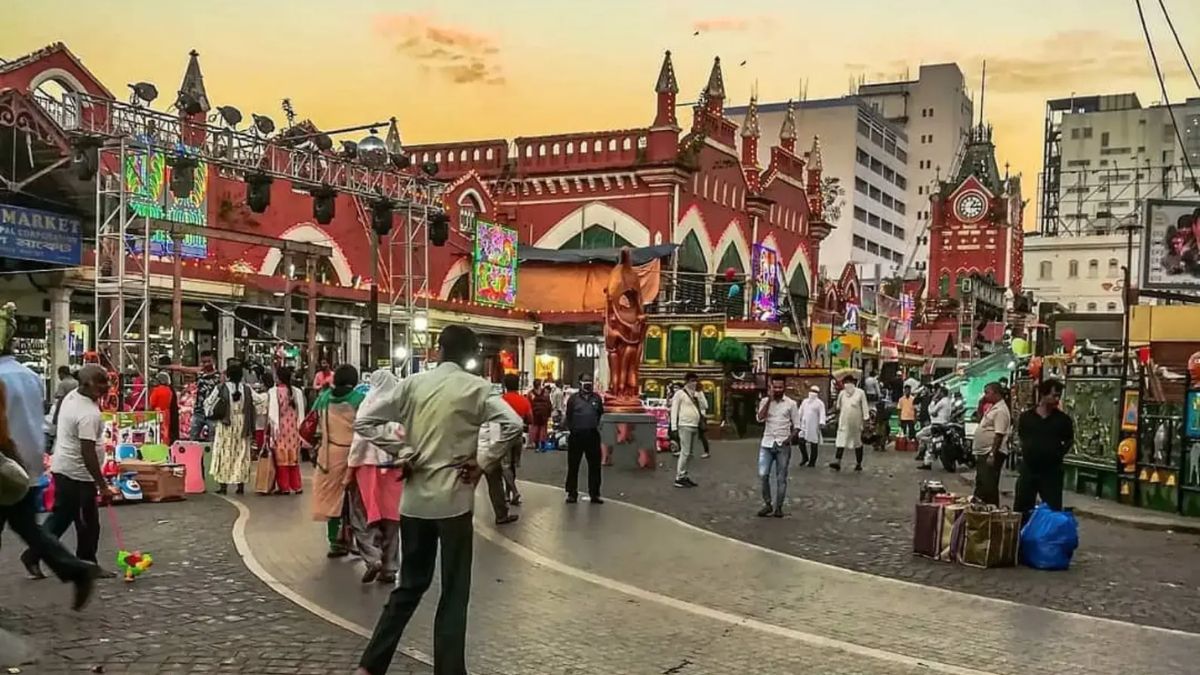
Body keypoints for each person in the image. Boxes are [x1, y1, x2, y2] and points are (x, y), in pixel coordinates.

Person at [353, 325, 521, 675]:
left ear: (439, 350)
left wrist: (403, 450)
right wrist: (484, 460)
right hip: (455, 502)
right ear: (471, 356)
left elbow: (367, 421)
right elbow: (513, 423)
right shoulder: (477, 389)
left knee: (410, 586)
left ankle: (371, 665)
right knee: (455, 593)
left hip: (413, 503)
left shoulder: (412, 384)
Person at [0, 308, 100, 608]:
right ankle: (76, 569)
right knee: (30, 529)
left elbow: (4, 432)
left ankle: (77, 569)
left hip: (6, 464)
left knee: (30, 528)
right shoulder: (29, 376)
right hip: (26, 469)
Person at [20, 364, 119, 579]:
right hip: (77, 475)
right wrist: (102, 485)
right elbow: (88, 452)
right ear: (86, 384)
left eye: (107, 382)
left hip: (65, 469)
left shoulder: (73, 396)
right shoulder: (88, 413)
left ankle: (35, 554)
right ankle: (86, 562)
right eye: (100, 383)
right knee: (86, 523)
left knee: (62, 519)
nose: (106, 387)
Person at [347, 370, 406, 584]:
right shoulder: (400, 406)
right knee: (392, 519)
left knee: (363, 517)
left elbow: (359, 439)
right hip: (395, 468)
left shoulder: (369, 403)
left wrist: (350, 467)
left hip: (368, 468)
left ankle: (373, 558)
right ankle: (390, 568)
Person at [312, 364, 364, 557]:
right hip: (354, 454)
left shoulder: (324, 398)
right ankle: (356, 541)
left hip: (329, 454)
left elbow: (315, 424)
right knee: (356, 501)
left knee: (333, 499)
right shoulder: (359, 400)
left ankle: (335, 541)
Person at [1014, 379, 1074, 513]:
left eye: (1059, 396)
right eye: (1054, 395)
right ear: (1043, 394)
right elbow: (1021, 436)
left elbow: (1069, 440)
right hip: (1029, 468)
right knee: (1022, 506)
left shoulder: (1062, 420)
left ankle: (1049, 533)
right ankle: (1022, 532)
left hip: (1051, 471)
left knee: (1052, 507)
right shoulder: (1027, 417)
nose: (1057, 399)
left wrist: (1058, 453)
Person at [205, 361, 255, 495]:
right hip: (242, 423)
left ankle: (223, 485)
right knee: (241, 453)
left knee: (224, 452)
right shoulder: (247, 389)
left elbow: (208, 403)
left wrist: (211, 415)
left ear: (228, 375)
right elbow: (259, 401)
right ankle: (240, 485)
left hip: (225, 424)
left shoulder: (221, 388)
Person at [755, 376, 802, 517]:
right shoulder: (765, 401)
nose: (777, 390)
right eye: (775, 387)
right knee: (763, 475)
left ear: (784, 388)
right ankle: (767, 504)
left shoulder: (791, 404)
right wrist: (769, 399)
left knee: (781, 478)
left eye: (780, 387)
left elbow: (797, 426)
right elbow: (760, 418)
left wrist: (789, 439)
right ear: (771, 387)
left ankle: (779, 507)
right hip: (767, 443)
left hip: (783, 445)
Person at [563, 372, 604, 503]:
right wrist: (573, 428)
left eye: (590, 381)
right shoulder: (573, 399)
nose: (588, 383)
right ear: (580, 383)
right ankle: (571, 493)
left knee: (595, 466)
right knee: (573, 465)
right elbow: (568, 416)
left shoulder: (597, 398)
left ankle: (595, 494)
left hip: (592, 435)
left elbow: (600, 414)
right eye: (585, 381)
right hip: (576, 436)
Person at [971, 382, 1012, 505]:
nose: (985, 395)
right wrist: (980, 404)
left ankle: (992, 512)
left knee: (989, 486)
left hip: (991, 451)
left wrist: (992, 454)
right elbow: (980, 420)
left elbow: (999, 434)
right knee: (982, 484)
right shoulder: (992, 407)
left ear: (996, 393)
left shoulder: (1000, 411)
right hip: (984, 451)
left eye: (987, 392)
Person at [268, 366, 306, 496]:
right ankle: (297, 486)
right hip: (294, 430)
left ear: (278, 377)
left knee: (281, 460)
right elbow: (301, 412)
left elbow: (272, 415)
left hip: (281, 430)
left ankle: (284, 487)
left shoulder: (274, 392)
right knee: (293, 459)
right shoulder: (297, 392)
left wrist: (272, 432)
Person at [670, 372, 707, 488]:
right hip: (684, 425)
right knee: (685, 452)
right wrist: (674, 427)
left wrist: (700, 394)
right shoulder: (680, 394)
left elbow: (705, 406)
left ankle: (684, 475)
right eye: (692, 381)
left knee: (690, 453)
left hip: (694, 426)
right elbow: (674, 410)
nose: (694, 383)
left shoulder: (696, 394)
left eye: (695, 381)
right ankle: (679, 477)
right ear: (687, 382)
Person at [830, 375, 869, 472]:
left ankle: (858, 463)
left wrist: (865, 421)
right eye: (846, 382)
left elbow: (864, 407)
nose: (848, 385)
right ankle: (838, 461)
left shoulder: (860, 393)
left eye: (849, 382)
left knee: (857, 443)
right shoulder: (842, 394)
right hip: (844, 422)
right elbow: (838, 407)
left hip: (856, 423)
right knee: (841, 442)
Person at [189, 351, 220, 441]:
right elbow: (181, 368)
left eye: (208, 361)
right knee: (193, 437)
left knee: (213, 440)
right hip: (198, 411)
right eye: (203, 362)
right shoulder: (200, 372)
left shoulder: (220, 376)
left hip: (213, 413)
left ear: (214, 361)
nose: (206, 364)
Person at [148, 371, 180, 446]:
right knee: (166, 430)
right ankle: (166, 444)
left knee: (156, 430)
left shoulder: (156, 390)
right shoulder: (169, 391)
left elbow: (152, 403)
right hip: (166, 413)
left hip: (157, 412)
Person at [797, 385, 826, 467]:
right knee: (801, 441)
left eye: (814, 392)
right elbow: (800, 411)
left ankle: (812, 461)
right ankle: (805, 457)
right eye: (811, 391)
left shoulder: (820, 403)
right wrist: (796, 420)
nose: (812, 393)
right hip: (804, 424)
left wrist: (821, 422)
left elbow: (822, 414)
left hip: (814, 425)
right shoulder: (805, 401)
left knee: (814, 443)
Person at [528, 380, 553, 451]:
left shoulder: (530, 393)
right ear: (540, 385)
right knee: (543, 430)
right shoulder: (545, 393)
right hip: (544, 415)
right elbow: (549, 404)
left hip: (534, 415)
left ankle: (536, 446)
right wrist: (549, 414)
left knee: (535, 429)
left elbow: (528, 405)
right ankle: (542, 446)